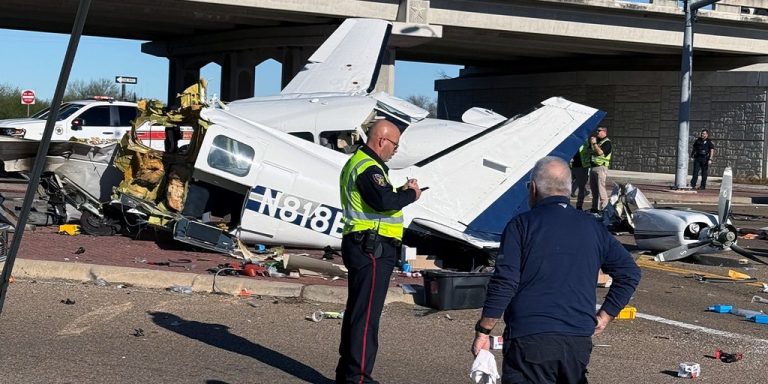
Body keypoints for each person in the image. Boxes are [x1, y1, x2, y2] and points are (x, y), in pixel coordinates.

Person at [471, 156, 640, 384]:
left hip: (530, 338)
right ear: (569, 191)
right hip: (577, 340)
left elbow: (505, 281)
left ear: (533, 189)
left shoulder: (521, 225)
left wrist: (484, 329)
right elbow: (629, 273)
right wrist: (605, 315)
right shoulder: (592, 226)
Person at [336, 119, 422, 384]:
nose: (395, 150)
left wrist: (399, 191)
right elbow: (384, 201)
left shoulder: (363, 164)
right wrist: (411, 195)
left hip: (364, 244)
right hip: (372, 247)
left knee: (358, 313)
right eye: (394, 144)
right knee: (366, 318)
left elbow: (379, 198)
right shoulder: (368, 167)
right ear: (381, 140)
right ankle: (358, 378)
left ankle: (347, 374)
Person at [589, 126, 612, 213]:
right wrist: (593, 144)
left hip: (601, 168)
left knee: (601, 189)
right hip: (593, 167)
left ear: (604, 132)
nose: (597, 132)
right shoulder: (600, 142)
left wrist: (594, 144)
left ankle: (604, 209)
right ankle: (594, 208)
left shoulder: (607, 143)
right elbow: (592, 152)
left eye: (599, 130)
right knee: (594, 190)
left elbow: (599, 153)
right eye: (597, 130)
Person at [570, 141, 591, 210]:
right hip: (576, 167)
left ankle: (579, 206)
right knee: (579, 186)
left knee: (581, 186)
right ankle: (577, 206)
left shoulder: (585, 143)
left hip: (581, 167)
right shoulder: (582, 143)